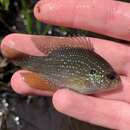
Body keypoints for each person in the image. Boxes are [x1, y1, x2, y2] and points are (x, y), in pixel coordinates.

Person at [1, 0, 130, 129]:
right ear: (94, 74)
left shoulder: (94, 75)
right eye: (111, 77)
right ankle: (18, 58)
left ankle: (18, 58)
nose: (115, 80)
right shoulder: (93, 75)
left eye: (112, 77)